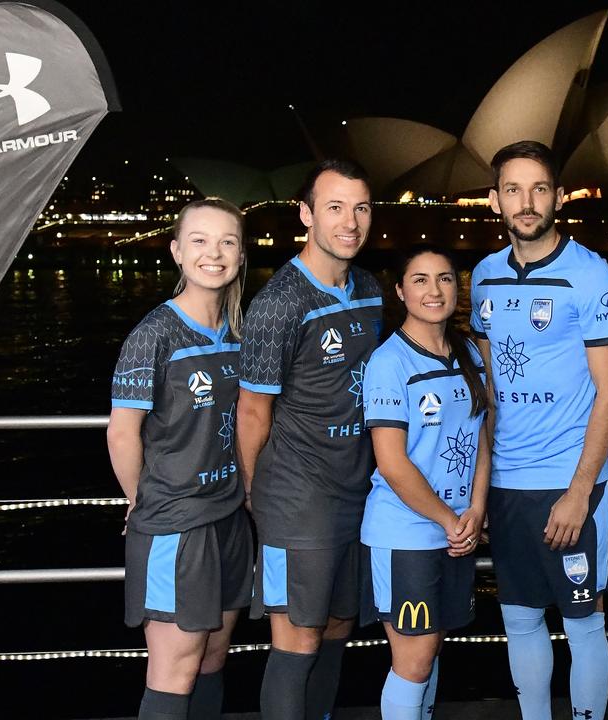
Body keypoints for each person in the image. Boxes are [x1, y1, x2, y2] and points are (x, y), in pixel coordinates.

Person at [469, 140, 608, 720]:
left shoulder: (589, 273)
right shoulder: (483, 277)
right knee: (520, 620)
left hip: (571, 484)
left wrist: (581, 490)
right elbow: (489, 387)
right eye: (513, 189)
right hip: (509, 484)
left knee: (584, 624)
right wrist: (480, 490)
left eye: (539, 189)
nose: (526, 201)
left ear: (558, 196)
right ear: (494, 201)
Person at [236, 159, 384, 720]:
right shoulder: (277, 304)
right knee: (296, 639)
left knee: (337, 628)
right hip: (297, 498)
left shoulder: (368, 289)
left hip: (357, 491)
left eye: (361, 207)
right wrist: (256, 495)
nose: (350, 221)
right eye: (335, 207)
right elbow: (252, 410)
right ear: (306, 215)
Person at [108, 197, 252, 720]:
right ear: (176, 251)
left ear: (239, 256)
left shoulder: (240, 335)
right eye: (199, 240)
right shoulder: (154, 334)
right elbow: (123, 433)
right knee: (177, 667)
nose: (213, 253)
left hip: (230, 517)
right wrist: (138, 499)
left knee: (214, 656)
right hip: (176, 522)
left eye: (227, 242)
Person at [362, 245, 491, 719]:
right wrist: (449, 518)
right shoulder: (389, 363)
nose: (433, 290)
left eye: (444, 279)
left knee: (431, 650)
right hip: (405, 534)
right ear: (400, 290)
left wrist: (475, 509)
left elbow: (481, 440)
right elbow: (393, 464)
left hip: (456, 528)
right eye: (419, 280)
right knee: (413, 660)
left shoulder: (469, 355)